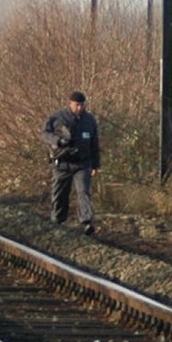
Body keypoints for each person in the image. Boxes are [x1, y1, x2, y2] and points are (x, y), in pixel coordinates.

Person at [40, 90, 101, 235]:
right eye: (77, 105)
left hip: (82, 164)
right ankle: (58, 220)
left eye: (82, 105)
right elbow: (44, 134)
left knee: (83, 192)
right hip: (62, 163)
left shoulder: (90, 120)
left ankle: (86, 221)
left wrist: (95, 164)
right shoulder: (57, 118)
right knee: (60, 193)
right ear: (70, 103)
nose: (79, 108)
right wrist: (58, 141)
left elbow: (95, 143)